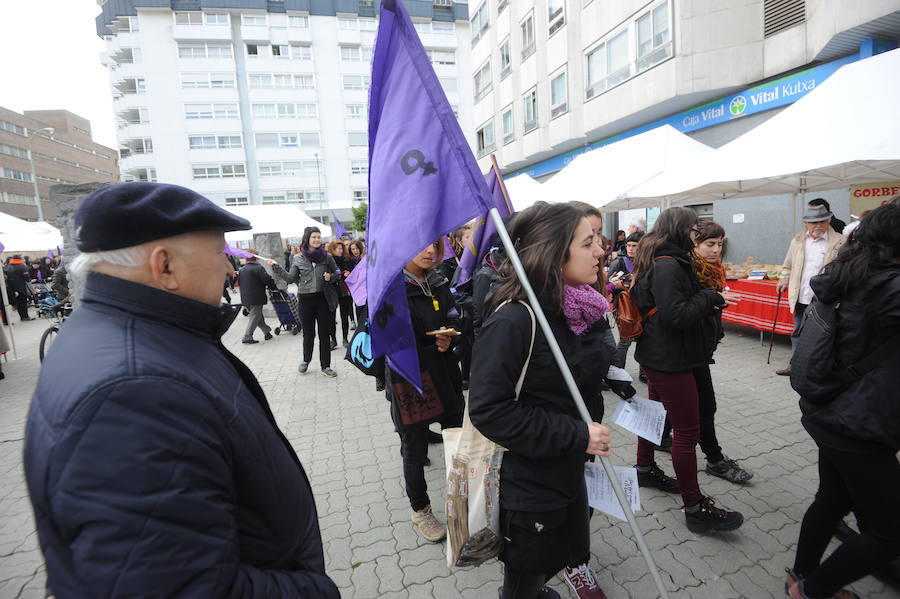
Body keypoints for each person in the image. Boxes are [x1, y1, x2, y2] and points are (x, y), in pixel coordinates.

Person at [23, 182, 338, 597]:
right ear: (164, 265)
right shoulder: (133, 393)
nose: (230, 270)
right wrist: (313, 590)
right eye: (218, 253)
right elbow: (178, 587)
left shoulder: (122, 331)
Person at [469, 202, 622, 599]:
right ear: (555, 252)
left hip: (565, 469)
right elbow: (489, 410)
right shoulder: (515, 319)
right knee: (525, 573)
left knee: (558, 554)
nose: (601, 251)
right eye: (588, 243)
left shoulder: (567, 308)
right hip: (528, 481)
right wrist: (576, 434)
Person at [785, 199, 900, 599]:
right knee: (889, 532)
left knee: (832, 499)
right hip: (858, 422)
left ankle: (799, 574)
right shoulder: (889, 286)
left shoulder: (850, 271)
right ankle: (812, 589)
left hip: (829, 409)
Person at [631, 206, 745, 533]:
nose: (697, 234)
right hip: (670, 358)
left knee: (654, 415)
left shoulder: (668, 259)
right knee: (687, 431)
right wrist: (712, 297)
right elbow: (675, 315)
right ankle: (694, 506)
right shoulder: (668, 265)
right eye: (693, 229)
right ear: (681, 229)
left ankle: (644, 467)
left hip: (667, 354)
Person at [386, 239, 464, 543]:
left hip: (445, 374)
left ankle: (461, 502)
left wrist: (451, 338)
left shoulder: (439, 278)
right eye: (421, 244)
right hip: (409, 379)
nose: (431, 250)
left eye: (435, 244)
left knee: (456, 443)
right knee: (414, 450)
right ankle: (420, 509)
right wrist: (429, 342)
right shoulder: (391, 288)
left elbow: (456, 316)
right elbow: (386, 339)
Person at [688, 221, 753, 483]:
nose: (716, 250)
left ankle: (657, 443)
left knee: (689, 406)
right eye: (710, 244)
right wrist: (712, 301)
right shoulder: (688, 269)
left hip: (701, 344)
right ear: (695, 244)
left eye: (719, 244)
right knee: (704, 406)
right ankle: (714, 458)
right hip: (685, 349)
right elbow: (684, 311)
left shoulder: (715, 269)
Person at [775, 204, 845, 375]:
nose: (818, 225)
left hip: (826, 298)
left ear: (829, 220)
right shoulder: (798, 241)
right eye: (813, 222)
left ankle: (822, 368)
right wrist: (784, 279)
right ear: (806, 223)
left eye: (822, 221)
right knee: (798, 332)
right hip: (802, 295)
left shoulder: (840, 242)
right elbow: (788, 265)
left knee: (825, 334)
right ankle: (795, 366)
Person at [273, 227, 341, 377]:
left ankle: (326, 366)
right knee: (308, 334)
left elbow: (338, 272)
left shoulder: (327, 257)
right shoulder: (298, 258)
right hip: (305, 301)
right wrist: (276, 268)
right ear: (307, 239)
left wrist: (331, 276)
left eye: (319, 237)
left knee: (324, 334)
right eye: (314, 237)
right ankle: (306, 359)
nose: (317, 239)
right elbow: (290, 278)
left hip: (322, 299)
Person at [608, 232, 646, 382]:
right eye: (628, 245)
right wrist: (620, 285)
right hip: (624, 306)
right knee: (625, 340)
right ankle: (618, 373)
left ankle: (643, 373)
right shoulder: (619, 262)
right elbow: (608, 285)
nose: (630, 248)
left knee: (644, 339)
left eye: (634, 246)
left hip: (642, 306)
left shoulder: (646, 261)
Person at [238, 255, 279, 344]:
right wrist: (273, 286)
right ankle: (247, 337)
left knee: (257, 316)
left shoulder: (242, 269)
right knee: (255, 316)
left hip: (245, 297)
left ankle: (267, 332)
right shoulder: (258, 268)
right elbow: (267, 280)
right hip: (256, 297)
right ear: (256, 258)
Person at [327, 240, 354, 348]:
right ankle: (333, 340)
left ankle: (345, 339)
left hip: (344, 290)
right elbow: (328, 275)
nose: (341, 250)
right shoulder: (328, 261)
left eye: (342, 248)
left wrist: (349, 273)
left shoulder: (346, 260)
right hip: (332, 290)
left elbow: (352, 273)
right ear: (333, 250)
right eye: (338, 248)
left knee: (344, 316)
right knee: (331, 317)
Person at [4, 255, 32, 321]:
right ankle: (25, 316)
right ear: (19, 259)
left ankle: (22, 317)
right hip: (21, 287)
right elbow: (26, 277)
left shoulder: (8, 266)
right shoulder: (22, 266)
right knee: (23, 303)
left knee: (18, 303)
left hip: (12, 288)